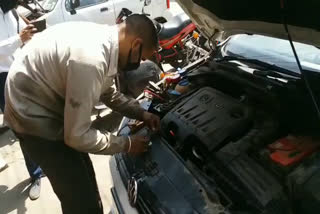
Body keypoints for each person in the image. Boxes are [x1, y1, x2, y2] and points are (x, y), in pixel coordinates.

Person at [4, 14, 161, 213]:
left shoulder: (105, 41)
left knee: (85, 175)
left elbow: (107, 92)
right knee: (80, 199)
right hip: (32, 120)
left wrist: (142, 114)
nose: (139, 63)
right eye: (142, 58)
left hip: (41, 101)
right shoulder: (92, 58)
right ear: (136, 44)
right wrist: (127, 144)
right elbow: (76, 136)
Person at [0, 0, 43, 199]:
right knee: (20, 130)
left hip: (21, 71)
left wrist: (30, 38)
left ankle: (46, 162)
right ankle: (36, 175)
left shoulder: (13, 13)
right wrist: (19, 39)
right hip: (3, 79)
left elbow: (24, 41)